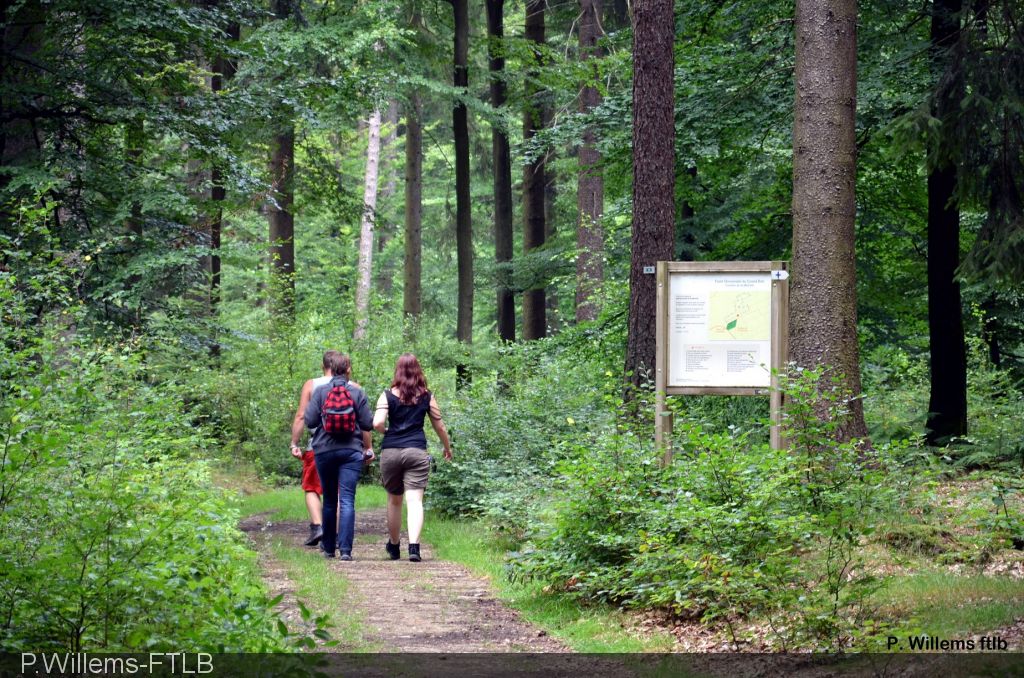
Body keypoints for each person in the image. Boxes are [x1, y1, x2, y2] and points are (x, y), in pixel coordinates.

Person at [373, 353, 452, 562]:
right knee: (415, 501)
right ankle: (414, 547)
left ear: (397, 371)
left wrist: (388, 431)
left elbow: (377, 423)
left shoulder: (387, 395)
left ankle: (394, 545)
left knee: (394, 500)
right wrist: (447, 448)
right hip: (417, 452)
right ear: (418, 371)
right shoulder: (427, 396)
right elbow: (440, 426)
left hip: (391, 452)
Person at [289, 350, 370, 548]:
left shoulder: (314, 387)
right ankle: (343, 546)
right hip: (351, 448)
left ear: (324, 366)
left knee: (316, 490)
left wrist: (294, 443)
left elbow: (304, 418)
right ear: (347, 369)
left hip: (320, 448)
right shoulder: (356, 389)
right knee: (346, 498)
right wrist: (368, 447)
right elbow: (366, 423)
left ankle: (321, 532)